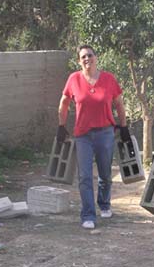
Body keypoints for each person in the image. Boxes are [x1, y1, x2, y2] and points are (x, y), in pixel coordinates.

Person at [56, 45, 131, 229]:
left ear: (96, 57)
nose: (87, 59)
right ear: (79, 61)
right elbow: (64, 102)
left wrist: (123, 126)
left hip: (105, 133)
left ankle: (104, 205)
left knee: (105, 174)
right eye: (83, 57)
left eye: (90, 55)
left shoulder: (108, 79)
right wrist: (61, 125)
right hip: (83, 135)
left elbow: (119, 104)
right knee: (85, 176)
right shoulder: (73, 79)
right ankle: (88, 215)